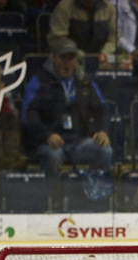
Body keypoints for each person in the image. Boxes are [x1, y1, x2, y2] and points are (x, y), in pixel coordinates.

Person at [21, 37, 113, 177]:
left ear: (76, 59)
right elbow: (28, 115)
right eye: (63, 57)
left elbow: (102, 110)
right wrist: (47, 134)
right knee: (53, 156)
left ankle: (93, 192)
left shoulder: (85, 82)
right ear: (54, 57)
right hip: (49, 143)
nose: (67, 62)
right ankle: (51, 197)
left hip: (79, 141)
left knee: (105, 151)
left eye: (71, 58)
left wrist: (103, 131)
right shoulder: (38, 81)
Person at [47, 0, 118, 59]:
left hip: (101, 60)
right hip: (69, 61)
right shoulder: (64, 7)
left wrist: (105, 53)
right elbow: (56, 39)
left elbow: (114, 38)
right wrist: (76, 54)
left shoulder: (109, 9)